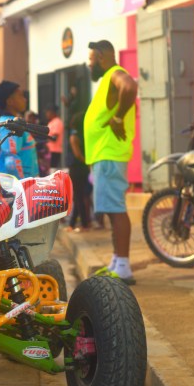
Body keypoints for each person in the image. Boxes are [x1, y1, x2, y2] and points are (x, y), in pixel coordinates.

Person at [84, 40, 138, 285]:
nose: (89, 64)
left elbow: (130, 87)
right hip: (104, 156)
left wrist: (117, 118)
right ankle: (117, 261)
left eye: (92, 60)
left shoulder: (116, 74)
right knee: (112, 209)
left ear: (103, 57)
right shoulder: (108, 78)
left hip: (110, 154)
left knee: (116, 211)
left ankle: (124, 266)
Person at [0, 81, 38, 179]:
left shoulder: (4, 122)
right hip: (15, 187)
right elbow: (11, 161)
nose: (25, 99)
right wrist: (22, 186)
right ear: (9, 101)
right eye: (21, 96)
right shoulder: (11, 125)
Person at [66, 114, 91, 232]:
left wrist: (85, 161)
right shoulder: (84, 136)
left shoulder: (73, 137)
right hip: (83, 169)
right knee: (80, 196)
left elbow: (77, 154)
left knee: (77, 197)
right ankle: (74, 223)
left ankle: (83, 223)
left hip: (76, 169)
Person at [45, 105, 64, 170]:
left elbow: (54, 137)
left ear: (52, 112)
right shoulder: (51, 122)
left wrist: (44, 138)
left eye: (47, 112)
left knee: (52, 170)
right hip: (50, 150)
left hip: (54, 151)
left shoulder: (57, 122)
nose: (46, 114)